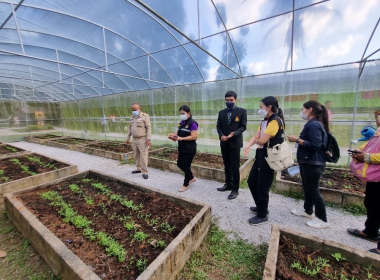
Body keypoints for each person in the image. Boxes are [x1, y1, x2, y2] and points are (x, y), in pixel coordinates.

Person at [288, 100, 330, 229]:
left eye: (303, 109)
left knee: (313, 190)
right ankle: (308, 211)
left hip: (314, 163)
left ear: (309, 110)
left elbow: (315, 144)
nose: (302, 112)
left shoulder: (314, 125)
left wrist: (297, 140)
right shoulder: (312, 124)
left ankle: (323, 219)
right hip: (308, 161)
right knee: (307, 187)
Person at [244, 96, 285, 225]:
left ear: (269, 107)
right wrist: (249, 145)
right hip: (261, 156)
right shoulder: (264, 121)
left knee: (262, 187)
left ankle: (262, 215)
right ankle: (261, 206)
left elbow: (261, 140)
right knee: (252, 181)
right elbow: (257, 136)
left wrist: (256, 140)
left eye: (261, 107)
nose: (259, 109)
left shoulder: (275, 121)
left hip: (269, 158)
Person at [347, 109, 380, 255]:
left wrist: (366, 158)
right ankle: (370, 231)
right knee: (372, 202)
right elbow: (373, 143)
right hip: (376, 175)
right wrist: (359, 150)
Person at [216, 91, 247, 200]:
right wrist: (221, 136)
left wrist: (234, 133)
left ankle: (235, 189)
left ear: (235, 100)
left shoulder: (242, 112)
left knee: (235, 166)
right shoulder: (221, 113)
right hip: (224, 142)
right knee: (227, 165)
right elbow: (218, 126)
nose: (229, 102)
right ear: (225, 100)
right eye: (227, 100)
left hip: (235, 143)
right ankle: (228, 184)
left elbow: (243, 126)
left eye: (231, 100)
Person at [168, 105, 198, 192]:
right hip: (182, 148)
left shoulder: (193, 123)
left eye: (183, 113)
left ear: (188, 113)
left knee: (186, 166)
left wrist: (181, 138)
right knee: (179, 164)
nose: (182, 115)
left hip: (190, 149)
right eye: (180, 113)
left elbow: (193, 137)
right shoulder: (181, 123)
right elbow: (178, 135)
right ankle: (191, 177)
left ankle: (186, 184)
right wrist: (172, 136)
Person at [126, 103, 152, 179]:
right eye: (132, 110)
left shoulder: (145, 116)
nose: (134, 111)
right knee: (136, 155)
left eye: (135, 109)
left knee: (143, 156)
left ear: (139, 108)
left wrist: (148, 139)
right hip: (134, 139)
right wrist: (128, 137)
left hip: (142, 139)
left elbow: (148, 128)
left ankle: (144, 171)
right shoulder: (132, 117)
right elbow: (130, 128)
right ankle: (139, 169)